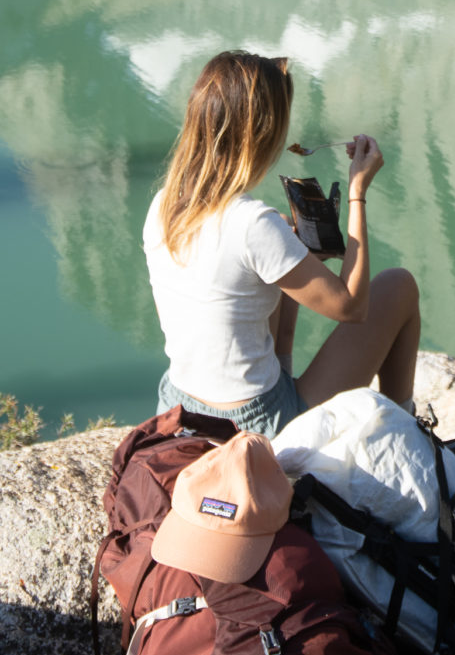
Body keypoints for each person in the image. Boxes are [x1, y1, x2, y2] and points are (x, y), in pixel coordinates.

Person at [143, 49, 420, 437]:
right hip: (257, 425)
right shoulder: (253, 224)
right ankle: (409, 433)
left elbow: (273, 335)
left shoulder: (164, 206)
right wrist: (358, 191)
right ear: (263, 133)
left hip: (179, 410)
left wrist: (297, 255)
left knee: (256, 292)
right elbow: (353, 307)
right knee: (399, 287)